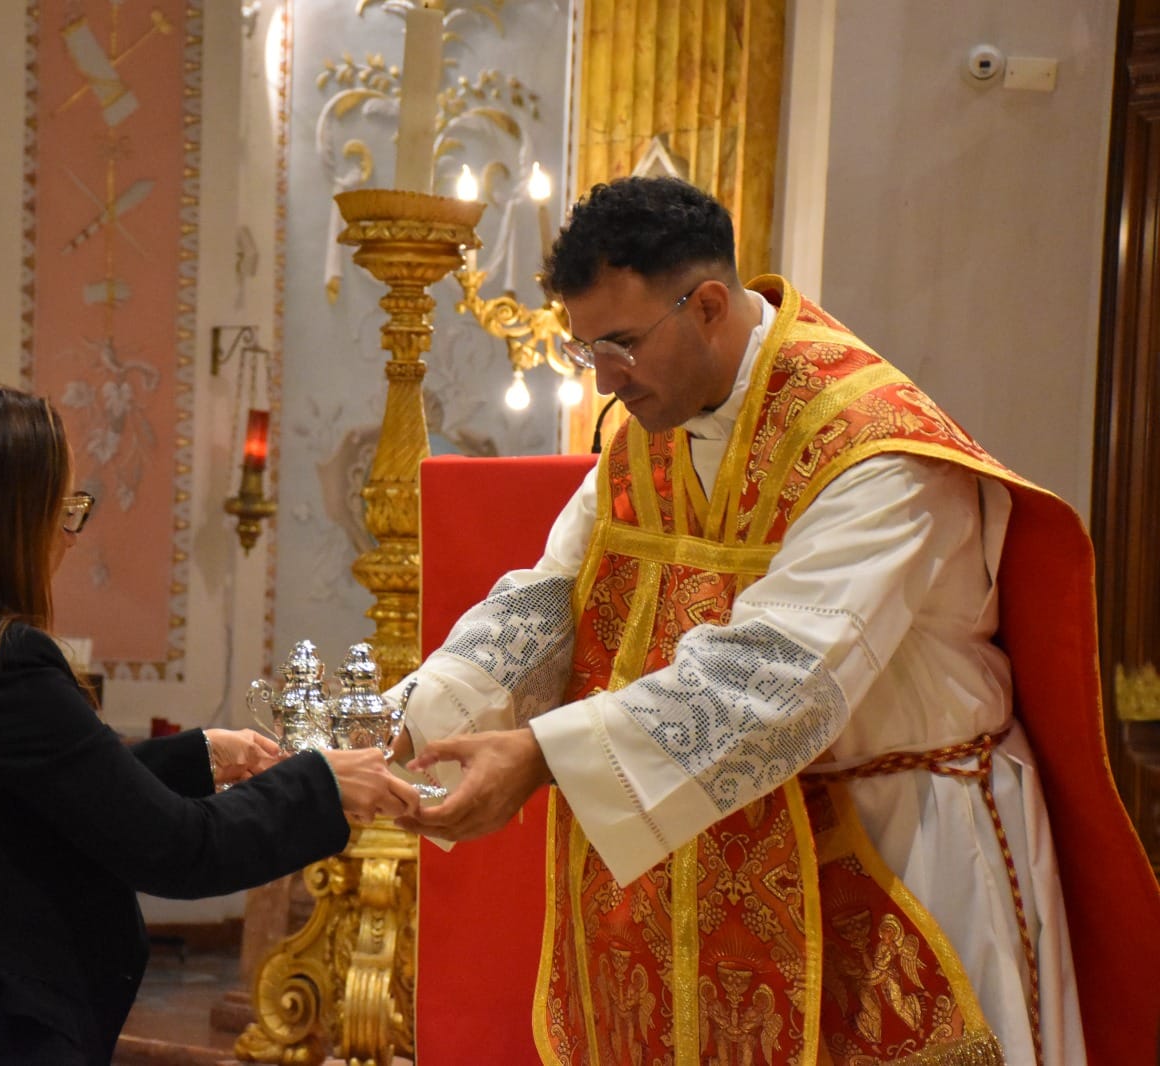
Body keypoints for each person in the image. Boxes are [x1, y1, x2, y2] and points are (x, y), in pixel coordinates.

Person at [389, 177, 1159, 1064]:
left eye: (622, 343)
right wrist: (416, 719)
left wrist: (540, 757)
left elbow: (774, 682)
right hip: (733, 843)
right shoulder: (654, 427)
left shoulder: (875, 448)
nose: (603, 379)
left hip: (901, 840)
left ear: (709, 304)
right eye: (585, 350)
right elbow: (549, 597)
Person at [0, 382, 417, 1066]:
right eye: (61, 510)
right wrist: (319, 785)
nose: (67, 537)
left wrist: (195, 757)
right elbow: (178, 849)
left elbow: (18, 800)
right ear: (1, 522)